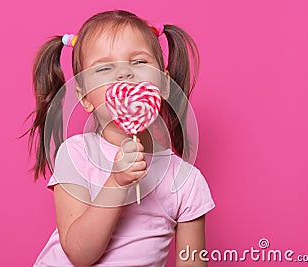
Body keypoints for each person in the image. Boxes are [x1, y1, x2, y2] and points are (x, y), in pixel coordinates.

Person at [24, 9, 215, 267]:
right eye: (104, 68)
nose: (125, 74)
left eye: (138, 62)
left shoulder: (186, 182)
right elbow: (79, 255)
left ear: (164, 84)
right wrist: (116, 183)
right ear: (84, 98)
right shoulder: (76, 154)